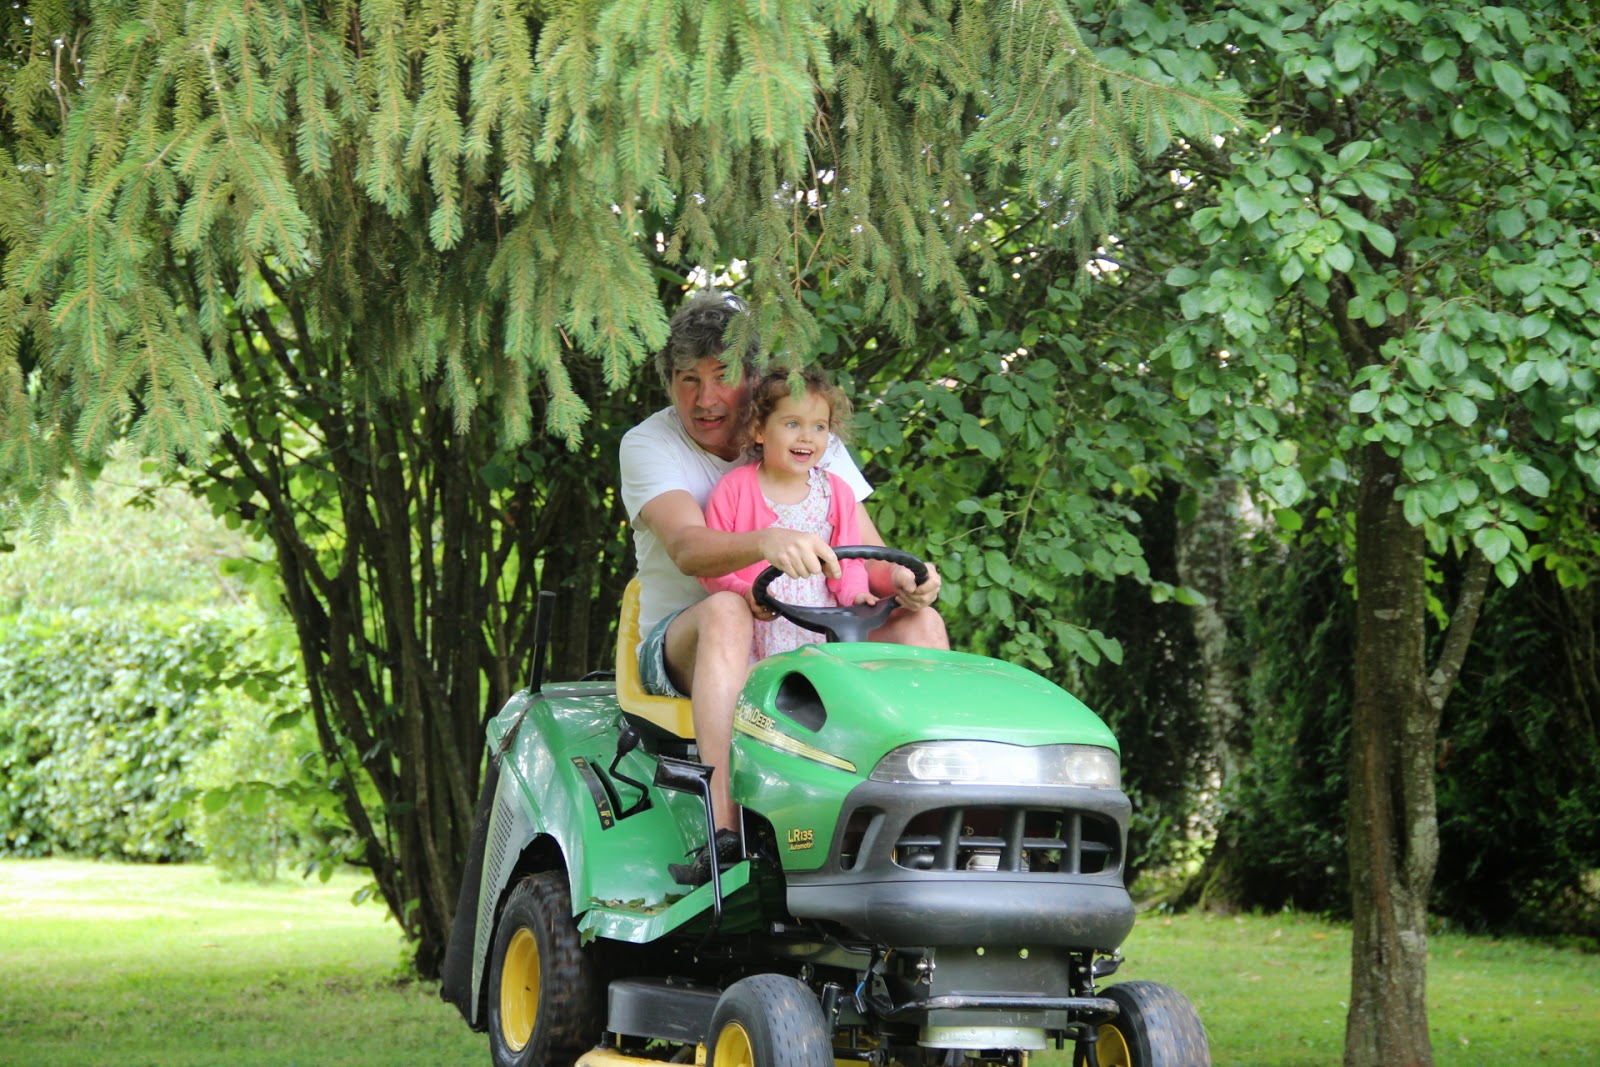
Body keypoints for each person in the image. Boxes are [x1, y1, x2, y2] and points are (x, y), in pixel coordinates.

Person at [618, 289, 945, 885]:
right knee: (727, 610)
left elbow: (863, 550)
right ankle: (724, 832)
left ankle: (927, 814)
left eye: (721, 377)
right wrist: (766, 542)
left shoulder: (805, 436)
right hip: (686, 642)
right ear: (669, 385)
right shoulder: (649, 444)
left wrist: (908, 577)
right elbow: (689, 548)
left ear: (752, 381)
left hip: (809, 631)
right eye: (687, 380)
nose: (705, 398)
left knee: (922, 622)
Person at [698, 367, 874, 661]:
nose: (807, 437)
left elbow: (848, 563)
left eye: (819, 427)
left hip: (820, 629)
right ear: (759, 430)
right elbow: (713, 566)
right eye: (793, 424)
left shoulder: (837, 492)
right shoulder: (734, 489)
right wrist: (746, 593)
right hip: (758, 627)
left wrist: (856, 595)